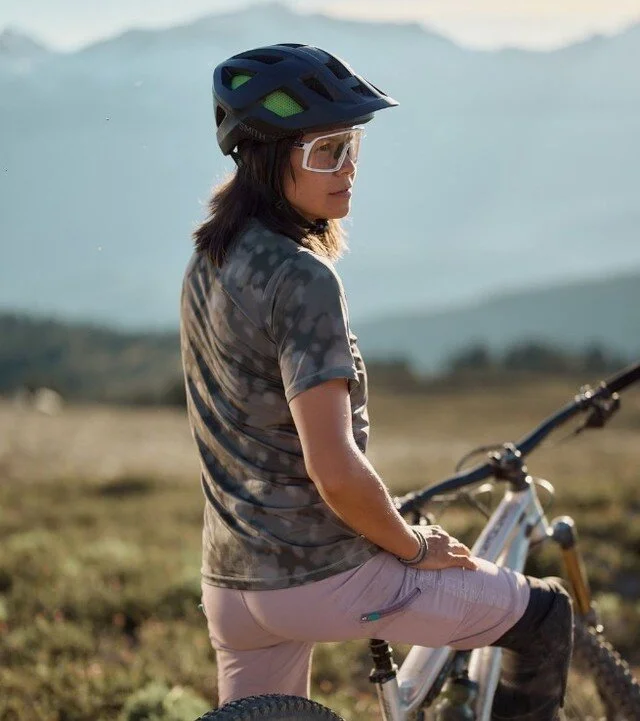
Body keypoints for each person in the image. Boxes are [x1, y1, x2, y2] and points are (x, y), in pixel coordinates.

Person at [180, 43, 573, 721]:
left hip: (231, 579)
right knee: (545, 617)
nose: (349, 169)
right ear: (272, 160)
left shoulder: (208, 262)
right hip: (320, 573)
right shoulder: (303, 279)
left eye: (352, 146)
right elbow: (333, 468)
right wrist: (414, 544)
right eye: (326, 151)